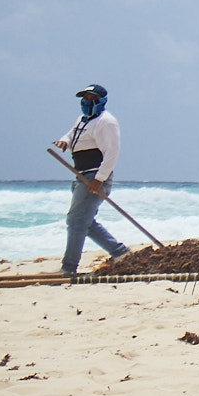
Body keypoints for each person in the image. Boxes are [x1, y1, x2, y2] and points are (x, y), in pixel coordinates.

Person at [52, 83, 130, 276]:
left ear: (101, 100)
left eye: (91, 98)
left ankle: (68, 267)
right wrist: (65, 141)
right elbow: (73, 134)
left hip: (94, 176)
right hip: (81, 175)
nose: (87, 101)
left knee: (76, 221)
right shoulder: (83, 119)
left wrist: (100, 179)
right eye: (85, 98)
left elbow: (112, 152)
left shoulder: (107, 122)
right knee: (84, 221)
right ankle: (121, 252)